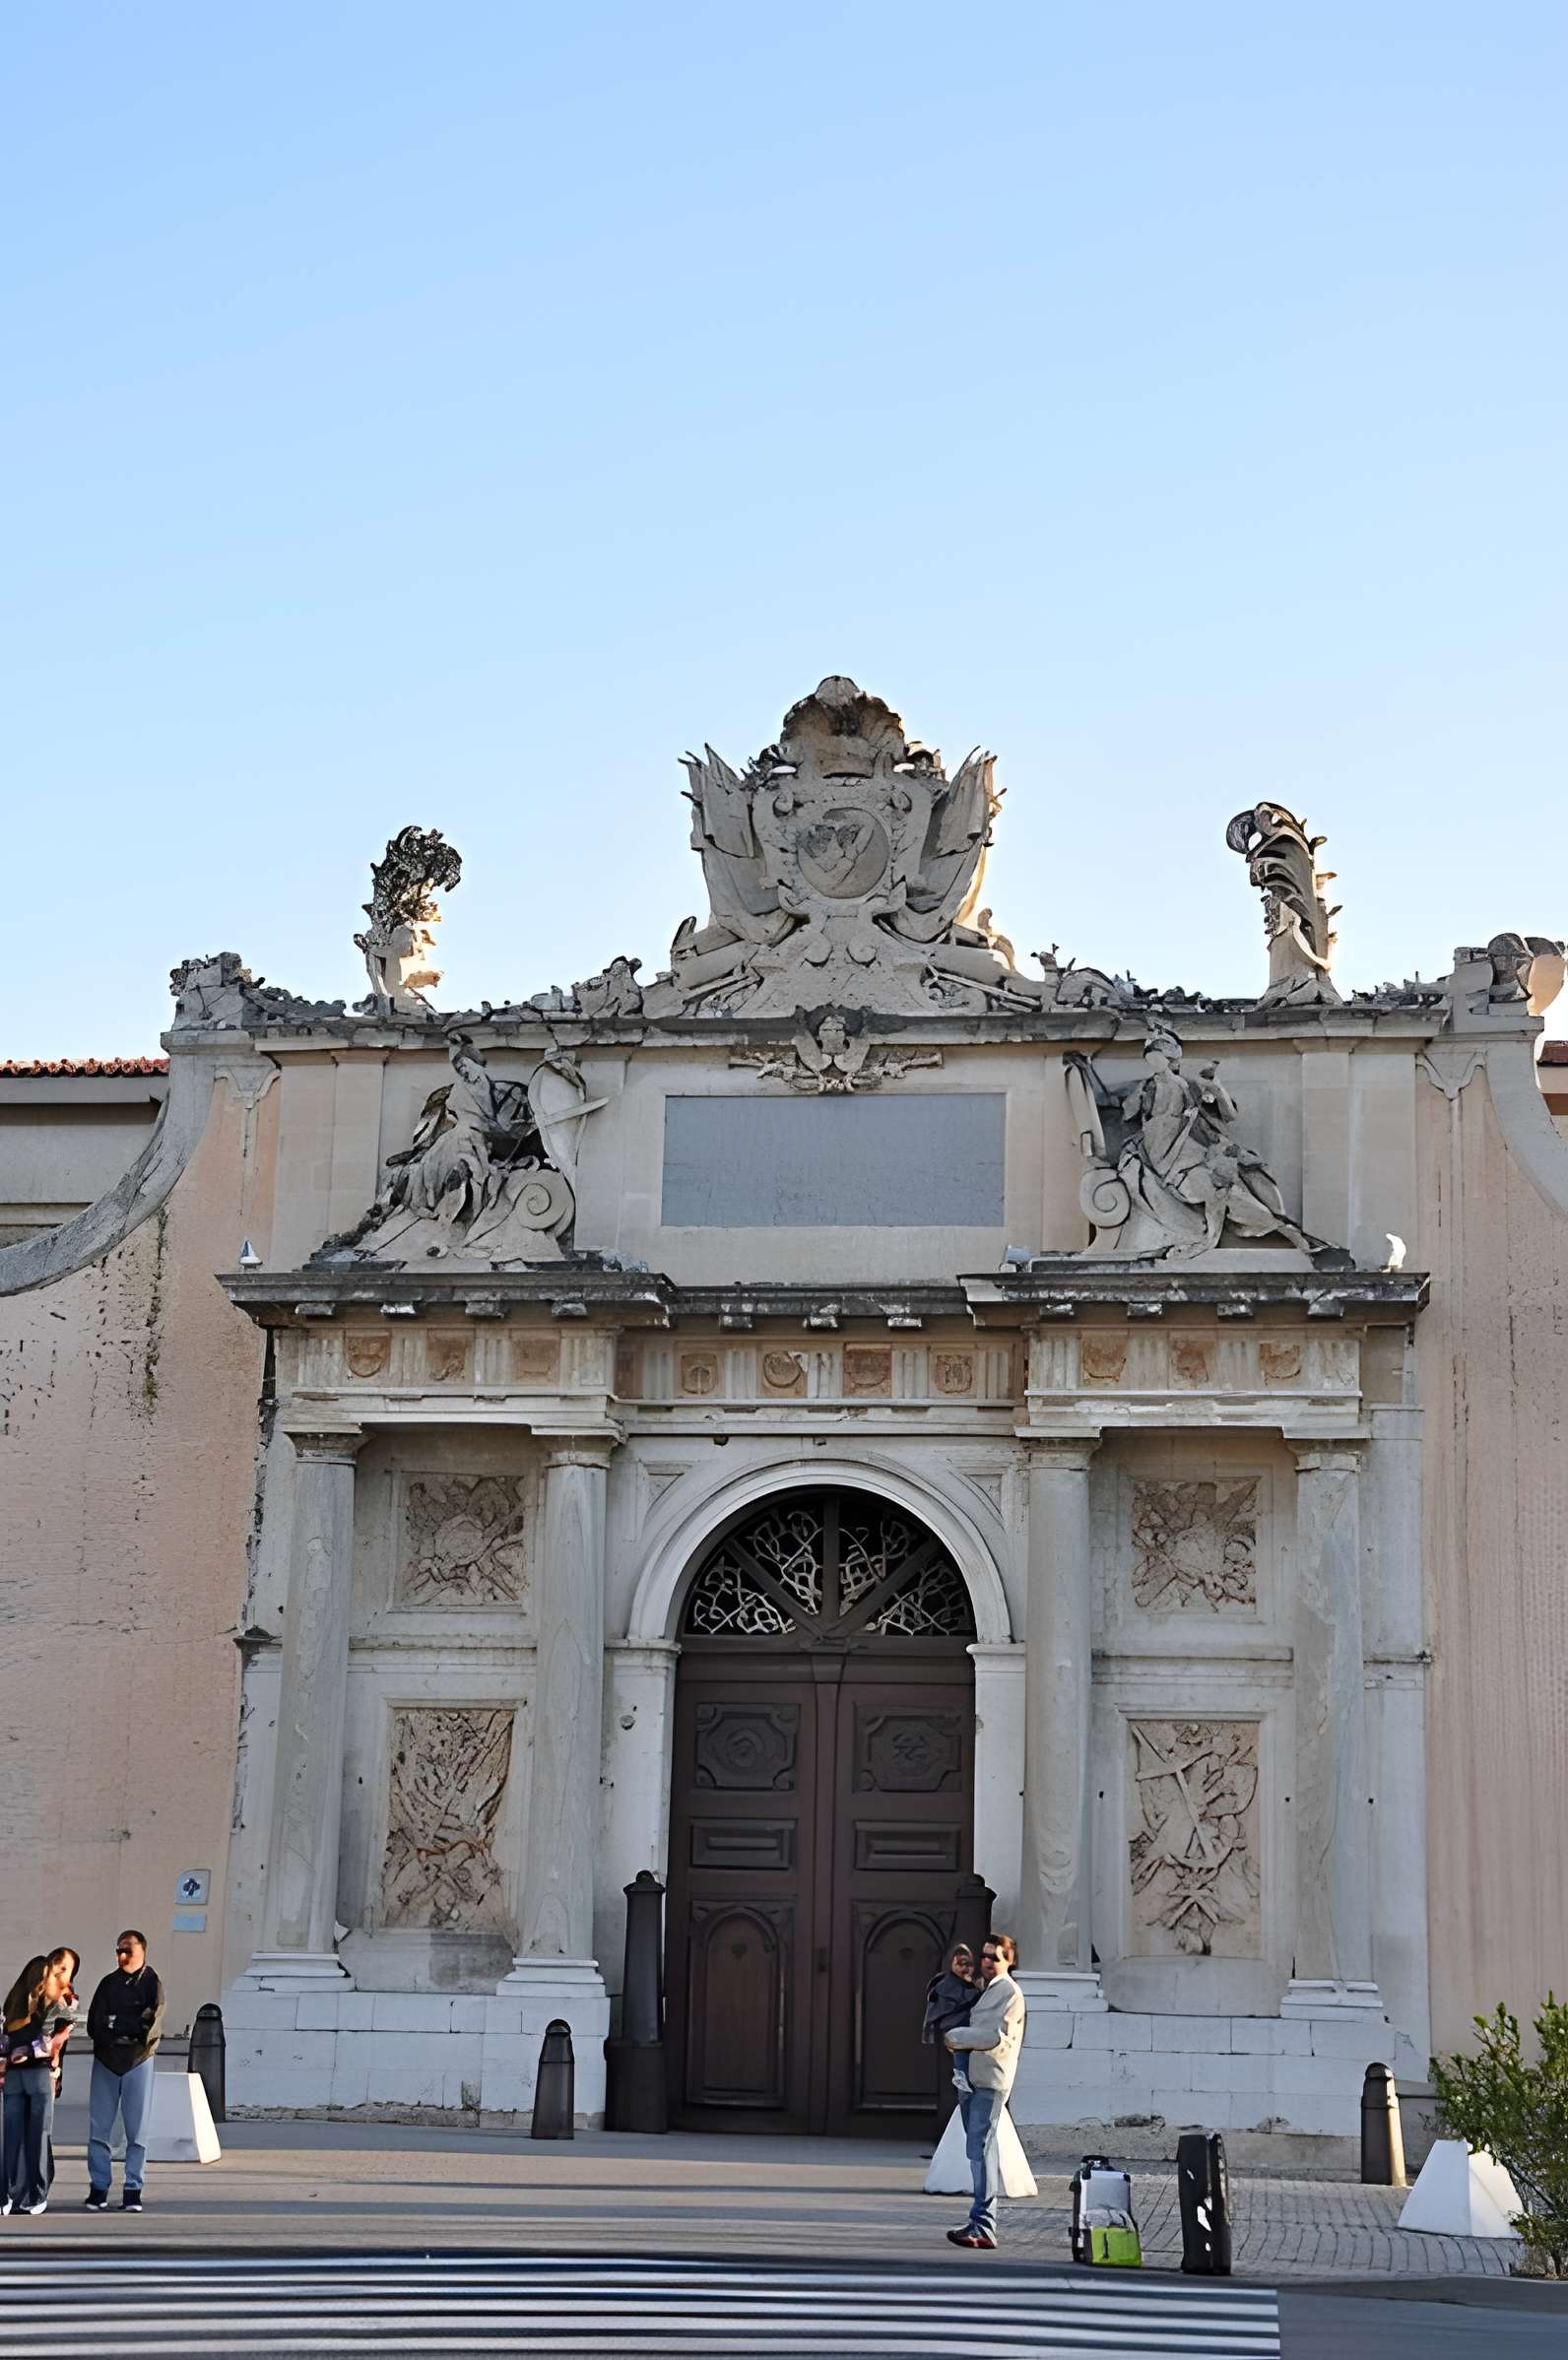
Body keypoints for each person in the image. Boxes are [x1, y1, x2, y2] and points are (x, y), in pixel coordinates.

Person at [943, 1931, 1026, 2250]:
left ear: (1009, 1960)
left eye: (995, 1956)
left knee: (981, 2150)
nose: (988, 1961)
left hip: (990, 2079)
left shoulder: (1009, 1992)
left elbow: (998, 2037)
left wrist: (958, 2037)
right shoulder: (987, 1988)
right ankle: (979, 2222)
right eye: (985, 1955)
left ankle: (984, 2225)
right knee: (979, 2150)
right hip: (974, 2077)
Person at [85, 1931, 165, 2213]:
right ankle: (98, 2188)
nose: (121, 1956)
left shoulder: (152, 1983)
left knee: (137, 2131)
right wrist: (127, 2025)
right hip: (107, 2060)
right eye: (118, 1950)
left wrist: (118, 2024)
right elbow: (95, 2023)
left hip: (139, 2060)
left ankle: (133, 2189)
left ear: (142, 1951)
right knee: (99, 2129)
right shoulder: (108, 1984)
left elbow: (151, 2024)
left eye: (127, 1950)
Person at [3, 1950, 80, 2216]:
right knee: (36, 2137)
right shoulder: (58, 2002)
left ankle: (9, 2196)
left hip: (19, 2074)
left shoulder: (17, 2000)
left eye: (64, 1969)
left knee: (14, 2137)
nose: (58, 1973)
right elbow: (51, 2044)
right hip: (38, 2074)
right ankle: (32, 2196)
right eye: (56, 1968)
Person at [922, 1941, 978, 2097]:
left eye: (969, 1964)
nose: (964, 1969)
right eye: (960, 1964)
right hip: (953, 2039)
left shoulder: (971, 1986)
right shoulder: (945, 1986)